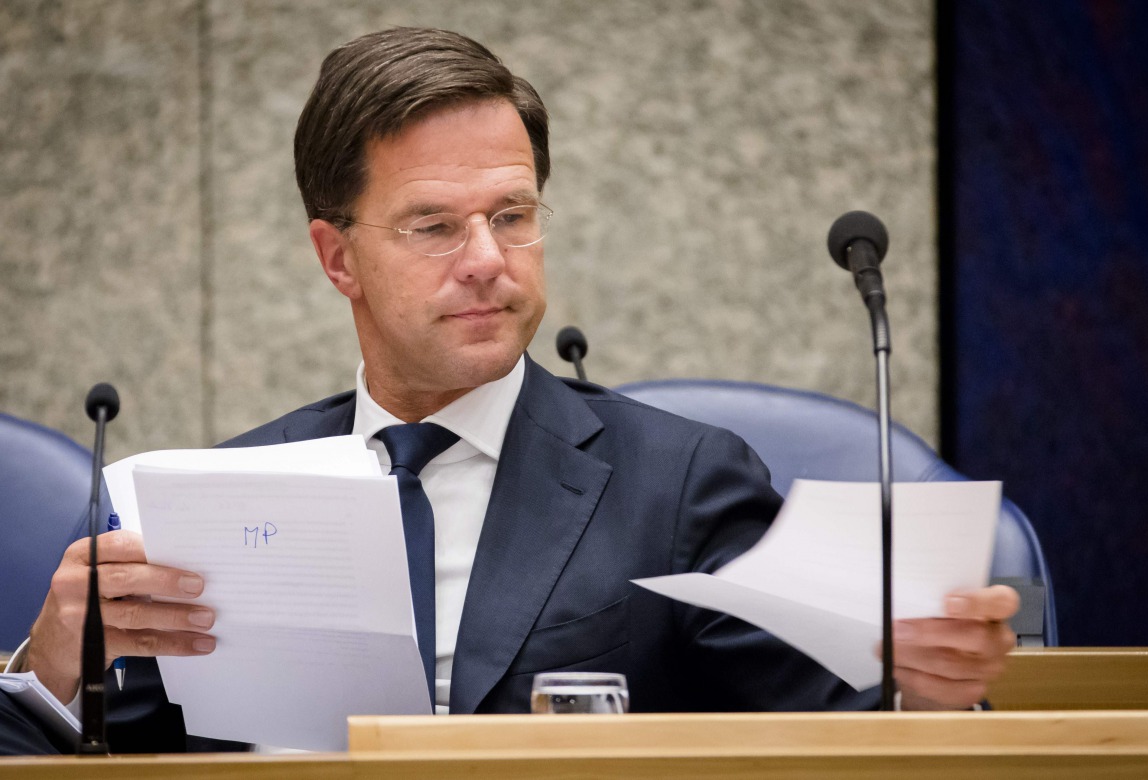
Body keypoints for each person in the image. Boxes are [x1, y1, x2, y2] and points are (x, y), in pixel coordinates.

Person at [4, 26, 1017, 753]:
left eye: (513, 213)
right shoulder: (226, 494)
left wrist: (925, 696)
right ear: (337, 257)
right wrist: (53, 664)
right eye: (435, 225)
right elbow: (113, 750)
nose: (488, 259)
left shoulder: (679, 484)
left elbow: (833, 732)